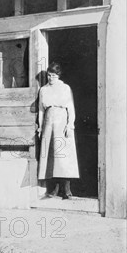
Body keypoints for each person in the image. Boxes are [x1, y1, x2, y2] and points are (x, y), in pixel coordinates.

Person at [37, 62, 79, 199]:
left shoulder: (65, 88)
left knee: (64, 157)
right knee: (50, 157)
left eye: (54, 75)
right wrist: (40, 127)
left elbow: (70, 108)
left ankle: (67, 190)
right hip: (49, 123)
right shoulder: (43, 90)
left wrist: (70, 125)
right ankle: (53, 189)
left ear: (58, 75)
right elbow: (41, 110)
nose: (51, 78)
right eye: (49, 75)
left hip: (62, 122)